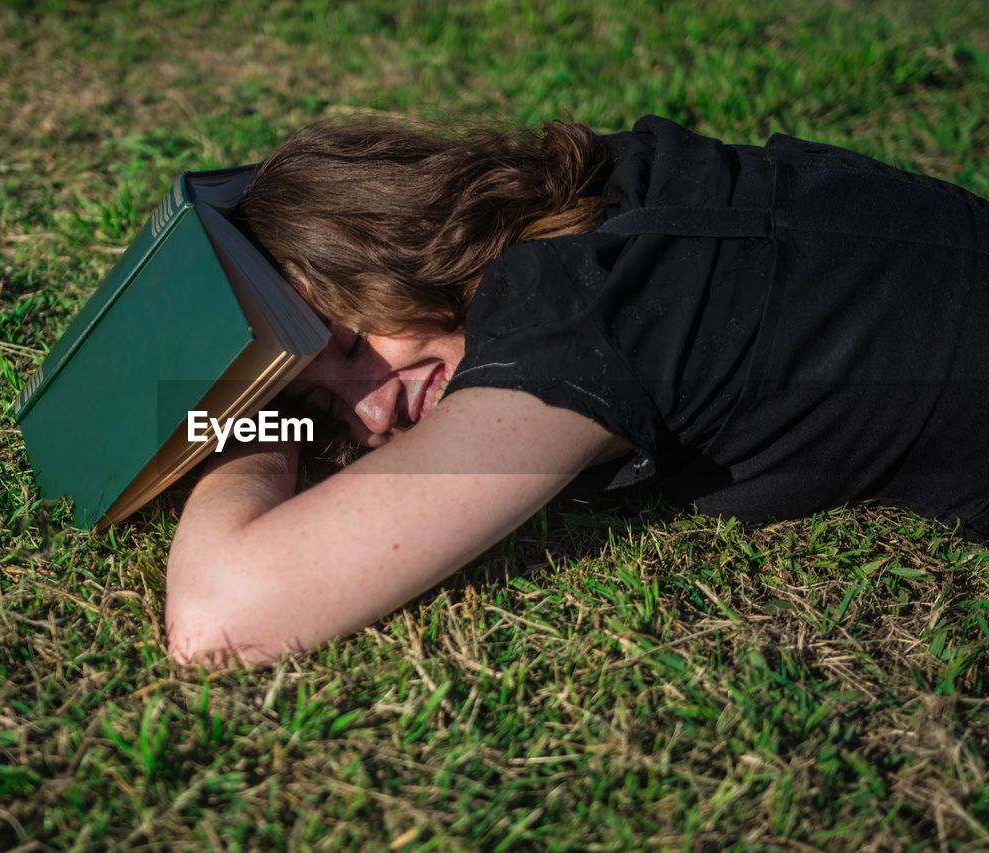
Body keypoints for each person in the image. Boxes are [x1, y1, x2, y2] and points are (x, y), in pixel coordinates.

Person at [164, 115, 989, 666]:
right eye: (327, 405)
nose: (374, 409)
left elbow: (219, 620)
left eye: (349, 339)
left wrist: (256, 427)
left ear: (389, 238)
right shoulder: (601, 185)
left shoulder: (568, 332)